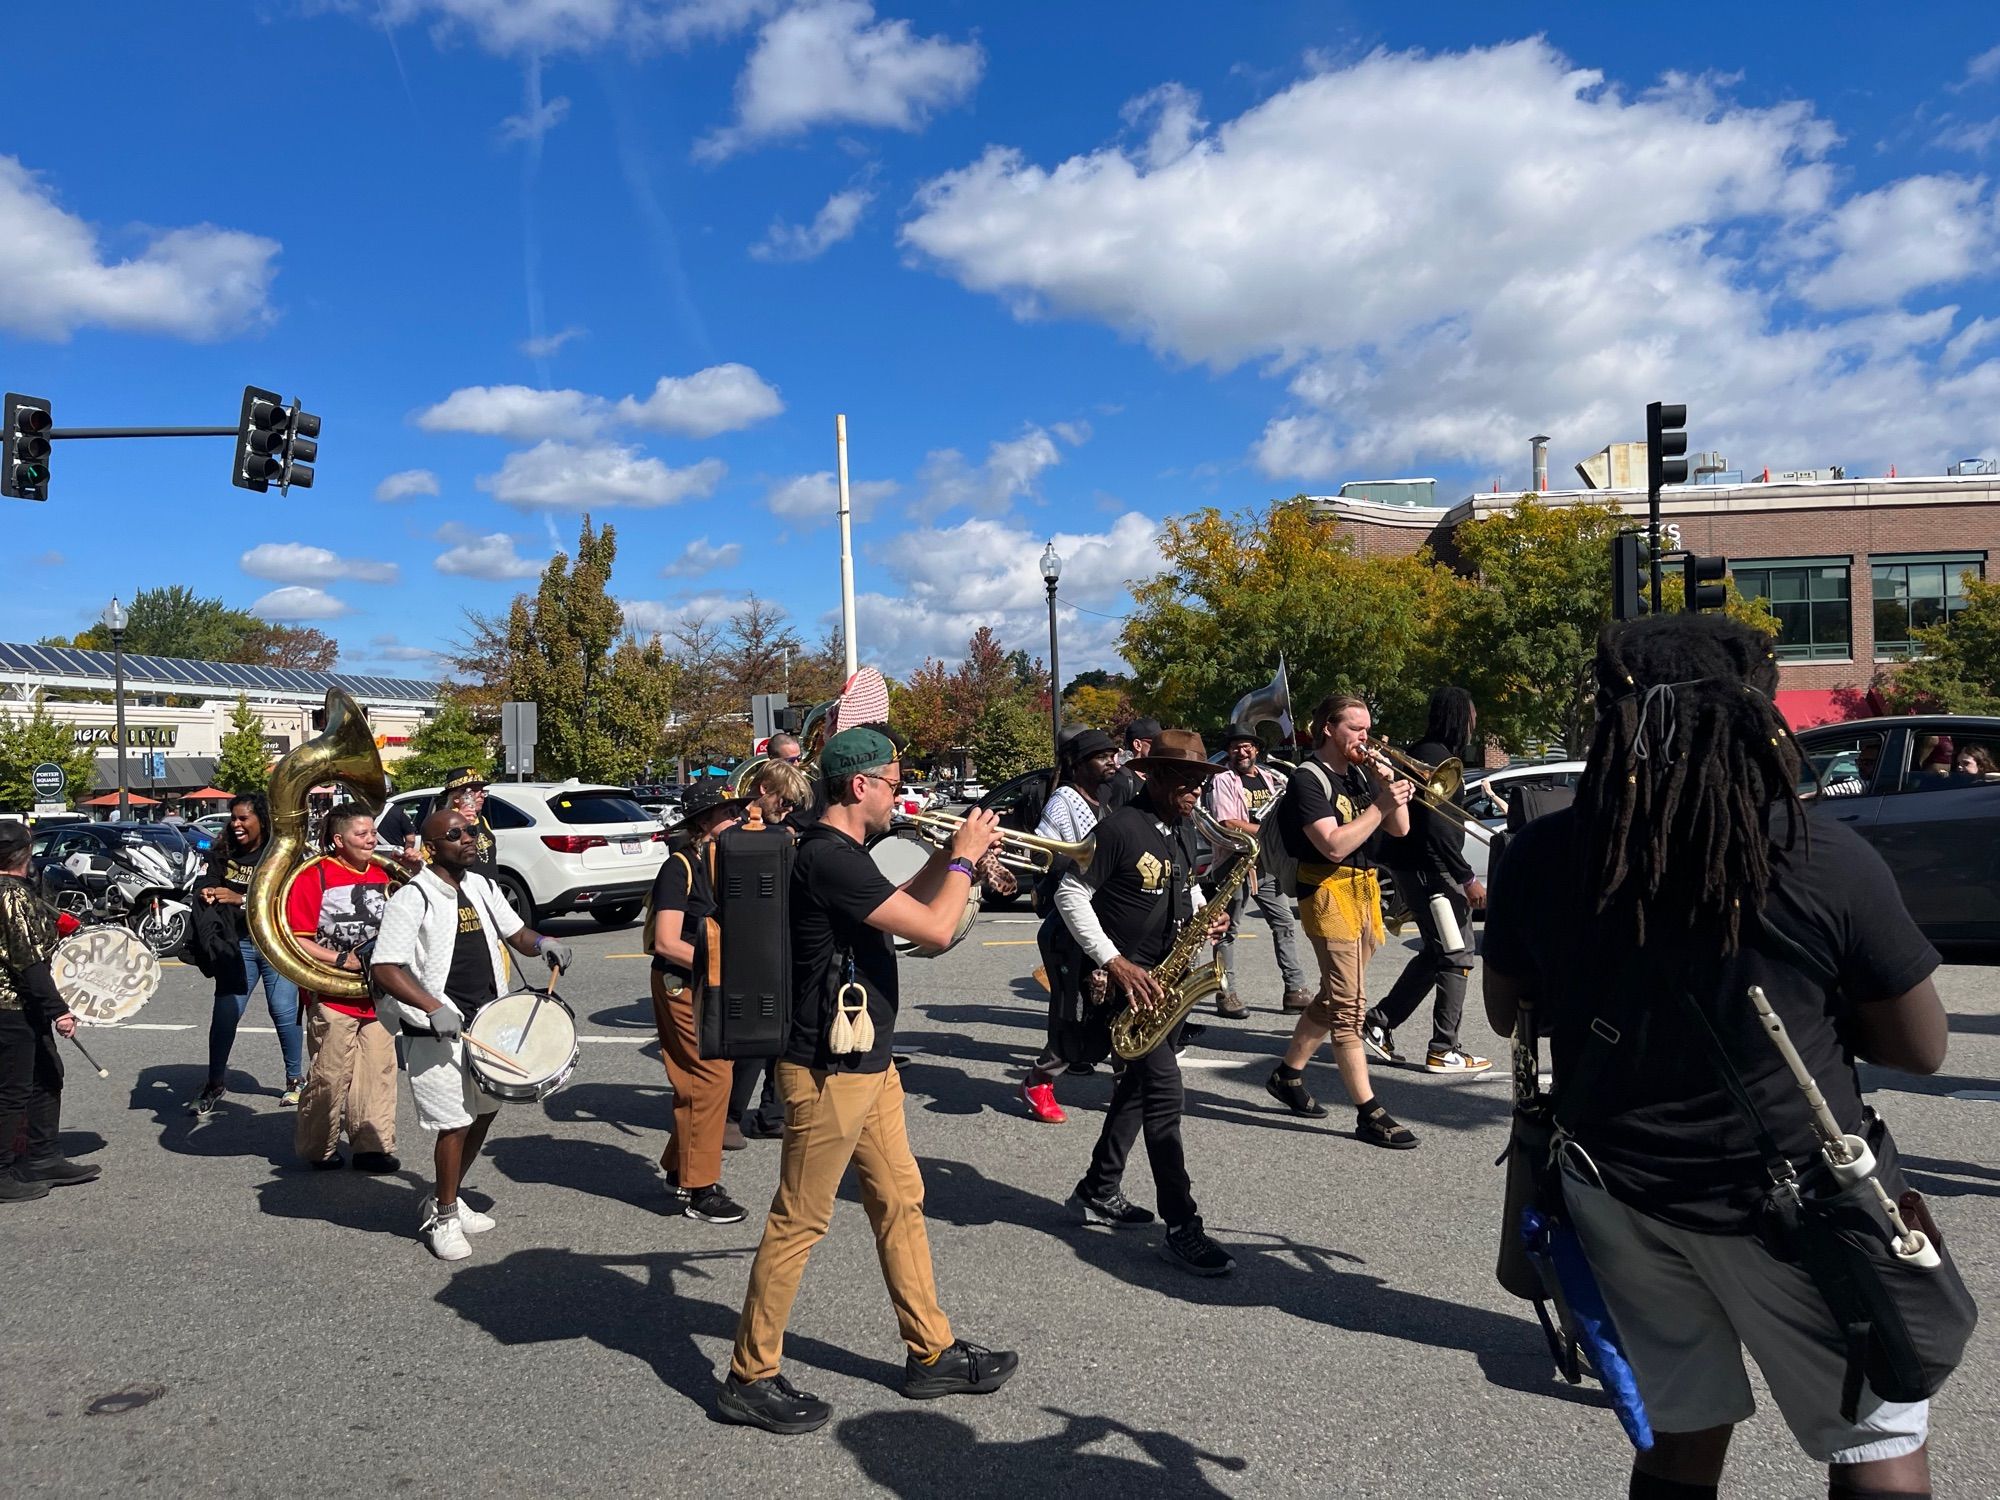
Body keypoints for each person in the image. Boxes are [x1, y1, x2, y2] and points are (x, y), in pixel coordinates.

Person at [1483, 613, 1950, 1500]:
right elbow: (1921, 1048)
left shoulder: (1542, 854)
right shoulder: (1820, 856)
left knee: (1681, 1432)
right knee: (1876, 1434)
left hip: (1615, 1189)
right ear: (1752, 711)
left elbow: (1511, 1010)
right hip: (1792, 1196)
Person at [719, 727, 1018, 1436]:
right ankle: (749, 1376)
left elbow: (902, 907)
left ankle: (932, 1351)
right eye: (893, 781)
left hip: (867, 1061)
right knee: (800, 1219)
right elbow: (937, 932)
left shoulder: (844, 857)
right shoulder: (827, 856)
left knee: (901, 1201)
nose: (900, 794)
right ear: (859, 787)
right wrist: (967, 863)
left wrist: (948, 857)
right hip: (828, 1069)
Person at [1054, 729, 1234, 1275]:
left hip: (1165, 982)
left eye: (1200, 781)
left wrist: (1208, 911)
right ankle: (1182, 1224)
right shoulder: (1118, 829)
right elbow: (1069, 894)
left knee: (1134, 1089)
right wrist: (1115, 962)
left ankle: (1098, 1186)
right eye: (1183, 780)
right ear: (1152, 776)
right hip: (1125, 985)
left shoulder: (1181, 828)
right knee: (1162, 1094)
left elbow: (1184, 887)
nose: (1193, 790)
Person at [370, 807, 574, 1262]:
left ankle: (451, 1195)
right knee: (454, 1122)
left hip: (485, 1022)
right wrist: (432, 1006)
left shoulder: (481, 885)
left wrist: (543, 944)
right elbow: (385, 966)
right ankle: (442, 1216)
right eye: (455, 834)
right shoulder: (413, 897)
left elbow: (515, 932)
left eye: (470, 832)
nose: (468, 838)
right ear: (432, 847)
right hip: (435, 1029)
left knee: (483, 1114)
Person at [1264, 696, 1419, 1148]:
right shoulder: (1307, 780)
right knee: (1350, 1009)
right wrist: (1379, 805)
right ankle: (1370, 1112)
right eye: (1356, 728)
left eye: (1367, 729)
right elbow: (1332, 844)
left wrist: (1386, 789)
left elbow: (1400, 829)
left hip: (1363, 892)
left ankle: (1288, 1075)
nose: (1365, 738)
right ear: (1328, 729)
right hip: (1328, 895)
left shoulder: (1356, 774)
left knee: (1335, 996)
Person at [1363, 686, 1491, 1074]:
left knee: (1437, 953)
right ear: (1457, 717)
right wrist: (1467, 877)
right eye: (1470, 714)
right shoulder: (1436, 757)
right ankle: (1443, 1048)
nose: (1474, 722)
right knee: (1457, 954)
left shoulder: (1428, 753)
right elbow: (1435, 829)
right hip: (1431, 871)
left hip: (1419, 868)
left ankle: (1380, 1022)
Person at [648, 780, 748, 1223]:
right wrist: (726, 970)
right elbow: (668, 942)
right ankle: (699, 1189)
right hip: (682, 981)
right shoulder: (679, 867)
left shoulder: (725, 864)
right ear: (704, 824)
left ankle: (679, 1168)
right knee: (707, 1080)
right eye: (728, 814)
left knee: (712, 1077)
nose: (738, 820)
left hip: (711, 983)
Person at [288, 804, 398, 1172]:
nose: (371, 840)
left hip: (377, 991)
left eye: (372, 833)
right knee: (330, 1074)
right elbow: (296, 938)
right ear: (339, 840)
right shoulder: (314, 875)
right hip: (334, 991)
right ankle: (320, 1147)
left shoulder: (385, 872)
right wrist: (339, 960)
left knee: (378, 1072)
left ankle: (372, 1147)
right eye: (361, 834)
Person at [1020, 727, 1121, 1124]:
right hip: (1066, 926)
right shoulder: (1062, 802)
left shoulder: (1108, 798)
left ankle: (1124, 1085)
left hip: (1101, 920)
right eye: (1102, 756)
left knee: (1116, 1007)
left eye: (1113, 754)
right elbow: (1044, 853)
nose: (1112, 761)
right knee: (1070, 1015)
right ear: (1078, 765)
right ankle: (1037, 1083)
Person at [187, 793, 305, 1114]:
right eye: (234, 818)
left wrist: (240, 899)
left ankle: (295, 1081)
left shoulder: (280, 853)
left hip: (275, 944)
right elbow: (207, 880)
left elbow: (289, 898)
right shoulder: (222, 851)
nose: (236, 824)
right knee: (225, 1014)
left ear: (262, 821)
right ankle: (214, 1083)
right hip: (236, 943)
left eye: (244, 819)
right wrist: (208, 891)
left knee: (283, 1010)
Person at [0, 822, 97, 1201]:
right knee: (13, 1092)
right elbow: (27, 961)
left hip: (24, 1004)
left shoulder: (18, 893)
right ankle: (4, 1170)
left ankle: (42, 1156)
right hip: (11, 1006)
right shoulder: (10, 895)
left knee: (47, 1075)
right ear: (26, 854)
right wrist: (59, 1010)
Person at [728, 758, 815, 1142]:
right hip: (748, 949)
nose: (789, 810)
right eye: (785, 801)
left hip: (783, 946)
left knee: (785, 1035)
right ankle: (729, 1115)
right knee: (750, 1037)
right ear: (764, 791)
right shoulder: (733, 833)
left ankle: (772, 1114)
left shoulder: (785, 836)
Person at [1203, 722, 1312, 1018]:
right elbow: (1228, 822)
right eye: (1235, 746)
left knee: (1285, 924)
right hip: (1235, 863)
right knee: (1227, 931)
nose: (1242, 751)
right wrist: (1271, 833)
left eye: (1247, 745)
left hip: (1267, 864)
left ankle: (1295, 990)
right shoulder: (1223, 780)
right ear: (1228, 751)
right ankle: (1226, 992)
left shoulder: (1270, 777)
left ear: (1256, 749)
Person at [436, 767, 498, 872]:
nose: (481, 795)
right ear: (455, 797)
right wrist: (460, 825)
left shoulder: (482, 820)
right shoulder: (442, 823)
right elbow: (432, 860)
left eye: (482, 791)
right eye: (472, 790)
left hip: (488, 886)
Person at [1102, 718, 1161, 811]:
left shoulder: (1156, 778)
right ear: (1137, 745)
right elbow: (1114, 821)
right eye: (1155, 743)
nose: (1160, 748)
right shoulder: (1123, 781)